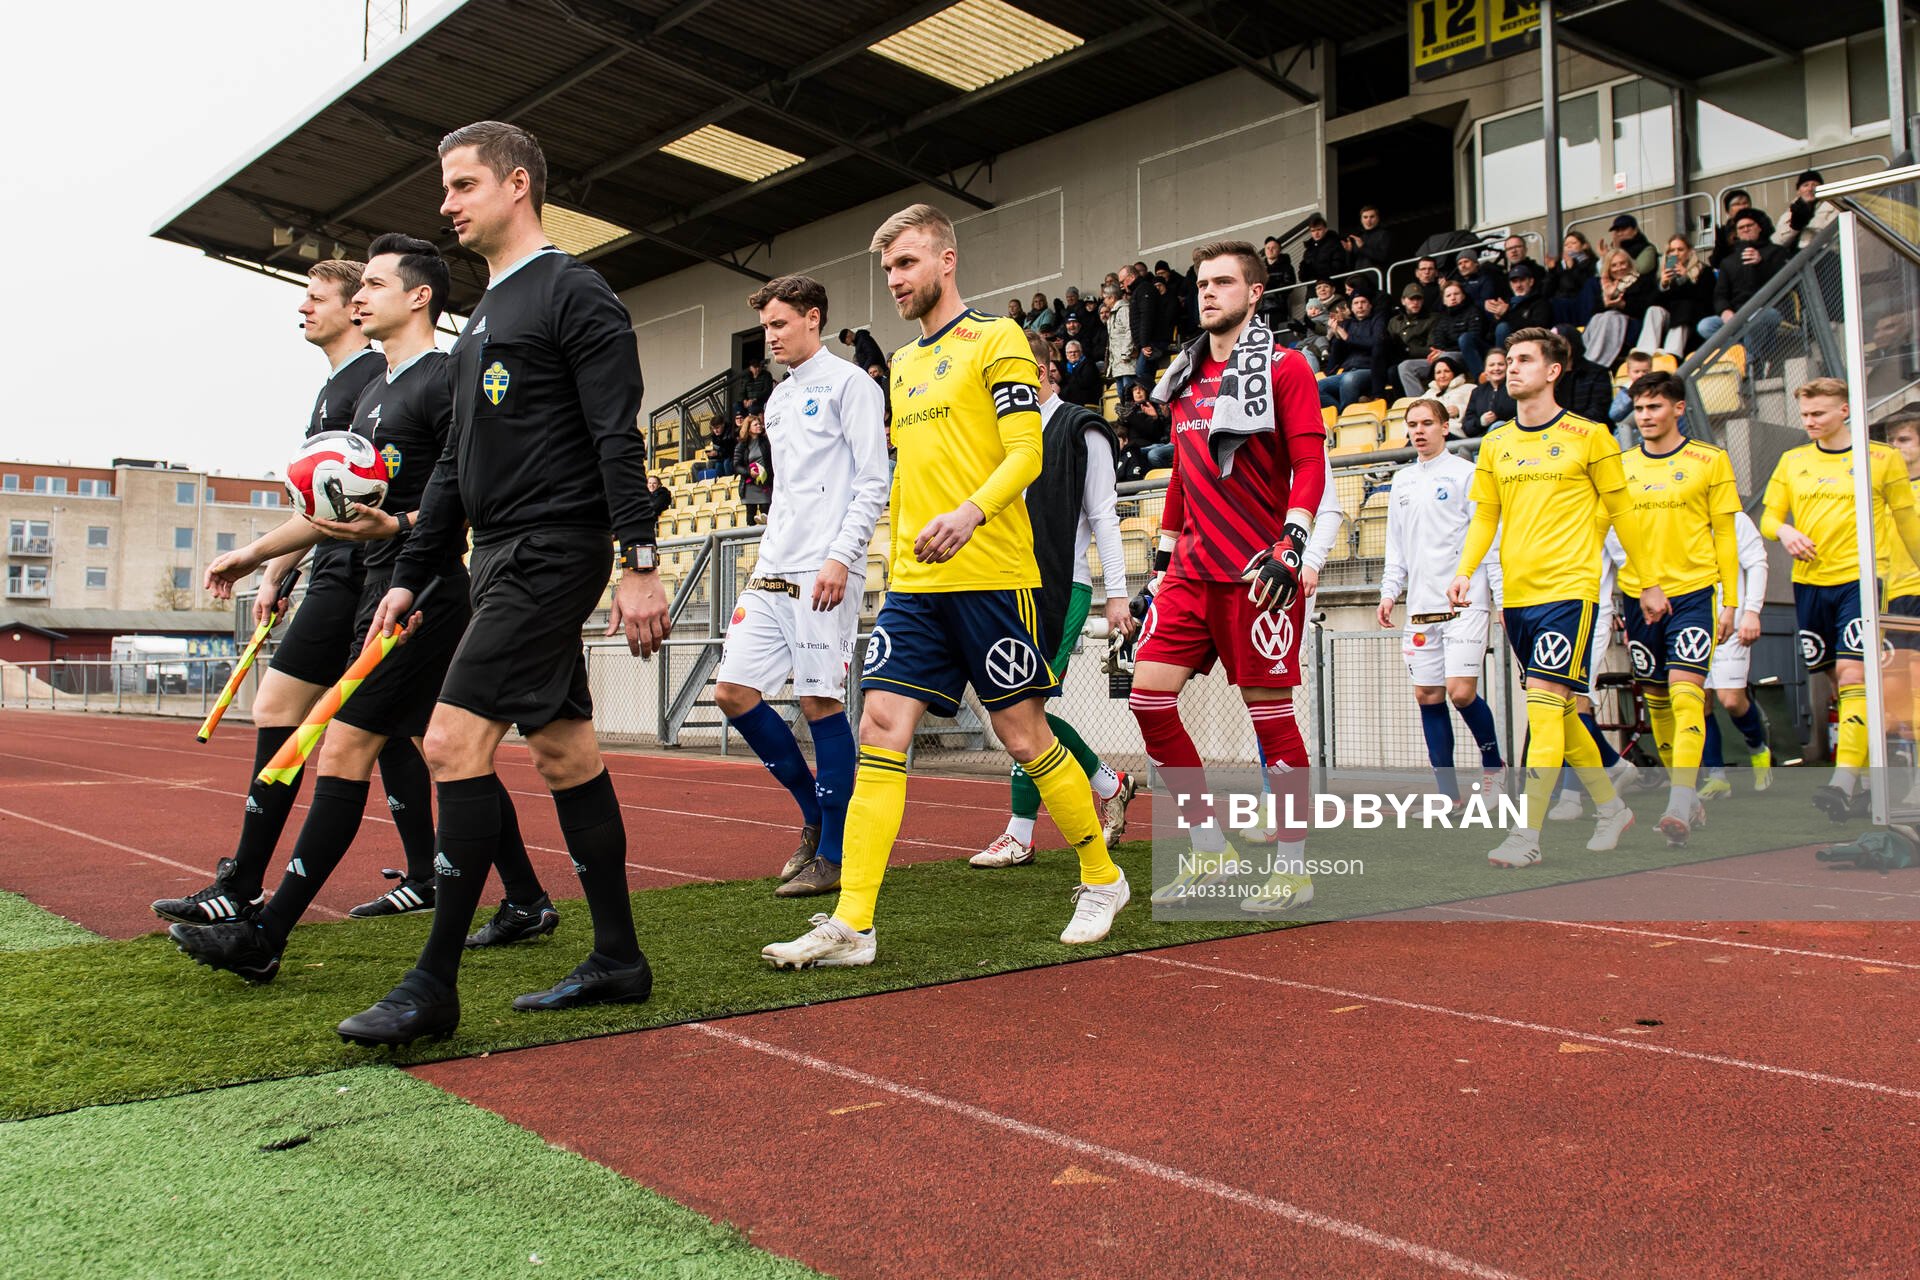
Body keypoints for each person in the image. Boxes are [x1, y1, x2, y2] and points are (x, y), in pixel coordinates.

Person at [336, 119, 670, 1046]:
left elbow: (617, 436)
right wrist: (410, 575)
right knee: (566, 756)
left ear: (517, 186)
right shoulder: (480, 315)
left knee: (449, 742)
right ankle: (617, 959)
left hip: (553, 552)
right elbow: (452, 463)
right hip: (496, 558)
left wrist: (639, 563)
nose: (446, 205)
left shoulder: (575, 292)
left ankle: (432, 984)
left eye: (462, 185)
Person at [172, 235, 557, 977]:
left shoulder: (446, 379)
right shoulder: (375, 392)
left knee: (344, 748)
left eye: (372, 285)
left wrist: (402, 529)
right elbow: (338, 511)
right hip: (377, 591)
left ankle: (266, 931)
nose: (357, 298)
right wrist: (257, 557)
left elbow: (469, 496)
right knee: (446, 754)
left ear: (419, 297)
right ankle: (527, 898)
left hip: (426, 593)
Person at [761, 203, 1131, 969]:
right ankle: (854, 923)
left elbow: (1025, 454)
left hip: (994, 574)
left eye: (905, 263)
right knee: (880, 728)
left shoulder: (995, 340)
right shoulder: (900, 364)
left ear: (945, 260)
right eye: (887, 267)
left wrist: (970, 513)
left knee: (1023, 737)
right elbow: (909, 473)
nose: (894, 280)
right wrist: (893, 561)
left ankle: (1101, 877)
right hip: (917, 587)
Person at [148, 260, 438, 929]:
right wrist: (277, 571)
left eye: (318, 298)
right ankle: (441, 876)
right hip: (342, 571)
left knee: (332, 721)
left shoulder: (373, 380)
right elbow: (326, 498)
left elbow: (368, 499)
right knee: (398, 733)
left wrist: (261, 556)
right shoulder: (339, 391)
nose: (303, 309)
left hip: (366, 574)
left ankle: (245, 883)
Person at [1126, 239, 1328, 913]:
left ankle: (1294, 867)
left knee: (1270, 720)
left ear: (1255, 293)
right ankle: (1209, 846)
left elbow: (1309, 463)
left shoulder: (1284, 367)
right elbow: (1184, 475)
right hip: (1190, 571)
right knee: (1148, 700)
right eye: (1202, 283)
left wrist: (1292, 545)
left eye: (1222, 282)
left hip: (1257, 572)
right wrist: (1158, 567)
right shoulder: (1181, 378)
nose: (1207, 292)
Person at [1450, 327, 1652, 867]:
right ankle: (1611, 807)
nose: (1509, 368)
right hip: (1517, 597)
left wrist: (1647, 580)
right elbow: (1486, 515)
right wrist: (1466, 571)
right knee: (1560, 714)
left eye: (1522, 360)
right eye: (1507, 360)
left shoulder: (1592, 437)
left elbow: (1624, 513)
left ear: (1553, 370)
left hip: (1571, 594)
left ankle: (1526, 836)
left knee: (1542, 711)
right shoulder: (1495, 442)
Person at [715, 274, 889, 899]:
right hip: (772, 569)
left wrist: (842, 558)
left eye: (780, 324)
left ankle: (837, 854)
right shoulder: (781, 398)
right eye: (766, 327)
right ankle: (814, 817)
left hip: (823, 571)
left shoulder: (852, 386)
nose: (770, 337)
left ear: (814, 318)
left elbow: (873, 482)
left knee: (820, 705)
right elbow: (787, 492)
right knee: (732, 692)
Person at [973, 330, 1139, 868]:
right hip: (1006, 585)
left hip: (1060, 589)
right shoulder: (1001, 434)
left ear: (1046, 371)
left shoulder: (1078, 428)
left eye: (1020, 369)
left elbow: (1104, 518)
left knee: (1024, 709)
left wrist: (1118, 596)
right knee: (1016, 711)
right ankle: (1109, 784)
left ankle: (1022, 832)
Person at [1761, 379, 1920, 821]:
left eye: (1819, 414)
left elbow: (1907, 523)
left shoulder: (1880, 458)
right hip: (1810, 585)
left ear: (1845, 410)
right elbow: (1770, 516)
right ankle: (1867, 785)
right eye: (1806, 415)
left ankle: (1841, 781)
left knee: (1854, 676)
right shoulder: (1793, 460)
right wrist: (1786, 531)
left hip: (1865, 581)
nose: (1810, 422)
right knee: (1838, 685)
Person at [1610, 371, 1742, 846]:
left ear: (1678, 409)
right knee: (1658, 700)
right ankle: (1688, 798)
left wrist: (1730, 600)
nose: (1644, 416)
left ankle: (1679, 800)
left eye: (1654, 407)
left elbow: (1725, 534)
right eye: (1639, 409)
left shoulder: (1710, 460)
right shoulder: (1621, 466)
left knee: (1688, 694)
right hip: (1637, 596)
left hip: (1693, 593)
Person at [1376, 398, 1505, 805]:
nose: (1418, 430)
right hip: (1420, 605)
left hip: (1466, 602)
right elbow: (1396, 544)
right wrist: (1388, 591)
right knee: (1427, 696)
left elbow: (1490, 540)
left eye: (1427, 423)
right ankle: (1448, 795)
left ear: (1445, 427)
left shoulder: (1468, 474)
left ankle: (1493, 769)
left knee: (1461, 692)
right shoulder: (1401, 481)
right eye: (1412, 424)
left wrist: (1499, 597)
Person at [1698, 509, 1772, 799]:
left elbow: (1757, 563)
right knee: (1698, 702)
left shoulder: (1735, 519)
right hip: (1690, 624)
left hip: (1732, 624)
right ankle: (1716, 777)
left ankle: (1758, 746)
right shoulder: (1677, 516)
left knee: (1730, 700)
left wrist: (1751, 612)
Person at [1701, 209, 1788, 344]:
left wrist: (1761, 263)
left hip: (1769, 310)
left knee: (1753, 318)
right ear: (1737, 232)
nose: (1745, 229)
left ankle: (1750, 360)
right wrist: (1725, 311)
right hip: (1737, 314)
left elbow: (1784, 282)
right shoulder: (1728, 261)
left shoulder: (1776, 252)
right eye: (1741, 227)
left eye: (1750, 225)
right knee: (1705, 326)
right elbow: (1720, 295)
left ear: (1759, 228)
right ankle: (1741, 353)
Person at [1585, 250, 1667, 368]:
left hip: (1636, 328)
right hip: (1609, 327)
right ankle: (1590, 356)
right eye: (1614, 265)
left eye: (1622, 263)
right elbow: (1593, 313)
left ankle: (1596, 361)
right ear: (1608, 268)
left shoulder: (1643, 281)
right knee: (1599, 317)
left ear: (1629, 264)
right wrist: (1607, 301)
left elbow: (1648, 308)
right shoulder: (1604, 285)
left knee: (1610, 316)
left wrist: (1623, 305)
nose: (1619, 268)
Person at [1398, 280, 1483, 394]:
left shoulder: (1473, 311)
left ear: (1463, 295)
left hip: (1465, 356)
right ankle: (1418, 403)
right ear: (1444, 300)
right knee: (1405, 366)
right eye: (1448, 295)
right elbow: (1437, 343)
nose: (1453, 298)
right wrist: (1438, 352)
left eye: (1456, 294)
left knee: (1450, 352)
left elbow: (1474, 338)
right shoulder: (1441, 319)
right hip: (1442, 356)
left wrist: (1442, 353)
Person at [1316, 289, 1385, 409]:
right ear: (1351, 308)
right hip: (1347, 370)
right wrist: (1337, 336)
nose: (1360, 306)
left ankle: (1346, 416)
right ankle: (1341, 413)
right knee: (1316, 387)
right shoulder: (1347, 324)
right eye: (1356, 303)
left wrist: (1347, 337)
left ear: (1370, 305)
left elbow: (1376, 343)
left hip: (1368, 370)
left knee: (1349, 380)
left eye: (1363, 302)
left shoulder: (1376, 321)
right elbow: (1337, 355)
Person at [1654, 236, 1713, 354]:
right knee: (1653, 310)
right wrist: (1664, 285)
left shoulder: (1703, 270)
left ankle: (1672, 352)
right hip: (1671, 318)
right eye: (1672, 250)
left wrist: (1686, 279)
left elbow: (1703, 298)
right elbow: (1657, 303)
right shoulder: (1664, 273)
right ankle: (1646, 351)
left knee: (1683, 307)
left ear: (1690, 252)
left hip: (1693, 318)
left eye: (1680, 250)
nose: (1676, 254)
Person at [1552, 325, 1613, 422]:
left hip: (1586, 430)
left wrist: (1567, 425)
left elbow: (1598, 412)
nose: (1554, 350)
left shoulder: (1597, 373)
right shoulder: (1548, 375)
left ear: (1572, 345)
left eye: (1558, 344)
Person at [1485, 263, 1552, 347]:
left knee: (1503, 327)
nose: (1518, 285)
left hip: (1530, 345)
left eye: (1522, 280)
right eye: (1514, 281)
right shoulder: (1506, 302)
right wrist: (1497, 318)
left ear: (1531, 282)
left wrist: (1507, 313)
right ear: (1510, 285)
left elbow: (1538, 329)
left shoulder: (1540, 302)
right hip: (1505, 346)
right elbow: (1490, 336)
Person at [1115, 382, 1172, 480]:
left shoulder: (1157, 407)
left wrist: (1155, 418)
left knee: (1146, 454)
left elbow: (1161, 437)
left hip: (1152, 445)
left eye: (1141, 389)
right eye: (1134, 390)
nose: (1138, 392)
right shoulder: (1127, 411)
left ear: (1147, 391)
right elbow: (1121, 433)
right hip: (1133, 447)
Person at [1549, 232, 1600, 327]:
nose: (1569, 246)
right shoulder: (1560, 265)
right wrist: (1551, 270)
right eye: (1566, 245)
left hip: (1581, 304)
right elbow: (1547, 290)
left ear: (1584, 246)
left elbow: (1582, 285)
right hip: (1562, 306)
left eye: (1573, 243)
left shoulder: (1592, 263)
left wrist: (1572, 268)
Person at [1463, 346, 1515, 437]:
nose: (1496, 368)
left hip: (1510, 437)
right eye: (1491, 365)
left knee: (1498, 425)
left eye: (1501, 364)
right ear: (1485, 370)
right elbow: (1467, 426)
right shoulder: (1477, 392)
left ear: (1508, 367)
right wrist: (1481, 422)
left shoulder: (1515, 386)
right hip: (1479, 441)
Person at [734, 413, 773, 525]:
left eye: (760, 424)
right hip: (749, 486)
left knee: (767, 512)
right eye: (756, 424)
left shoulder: (766, 442)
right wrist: (749, 472)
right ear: (749, 428)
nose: (759, 426)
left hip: (765, 484)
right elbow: (737, 466)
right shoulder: (741, 445)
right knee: (751, 516)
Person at [1608, 351, 1655, 435]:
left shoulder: (1655, 390)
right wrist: (1630, 397)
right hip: (1626, 432)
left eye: (1645, 372)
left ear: (1651, 371)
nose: (1641, 375)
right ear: (1629, 372)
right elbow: (1614, 414)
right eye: (1636, 371)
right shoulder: (1625, 391)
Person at [1100, 281, 1134, 395]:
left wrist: (1126, 353)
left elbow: (1130, 330)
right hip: (1118, 366)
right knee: (1121, 395)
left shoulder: (1124, 309)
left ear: (1112, 298)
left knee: (1128, 395)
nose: (1104, 301)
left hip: (1127, 363)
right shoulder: (1113, 313)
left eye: (1105, 298)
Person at [1298, 214, 1351, 283]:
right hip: (1313, 287)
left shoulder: (1335, 243)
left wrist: (1315, 272)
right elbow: (1302, 277)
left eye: (1319, 229)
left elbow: (1338, 268)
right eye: (1313, 231)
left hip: (1331, 285)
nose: (1316, 233)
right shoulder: (1308, 250)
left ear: (1325, 229)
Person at [1428, 355, 1472, 431]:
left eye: (1447, 371)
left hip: (1458, 431)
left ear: (1454, 373)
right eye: (1438, 372)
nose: (1442, 376)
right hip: (1433, 432)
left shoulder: (1469, 388)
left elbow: (1479, 409)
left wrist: (1459, 410)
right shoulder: (1428, 395)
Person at [1343, 205, 1391, 274]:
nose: (1368, 220)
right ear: (1361, 220)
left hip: (1376, 278)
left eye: (1372, 217)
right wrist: (1349, 252)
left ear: (1378, 218)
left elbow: (1383, 257)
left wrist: (1363, 247)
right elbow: (1350, 266)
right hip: (1358, 278)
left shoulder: (1384, 234)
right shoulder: (1359, 237)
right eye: (1365, 217)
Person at [1058, 339, 1102, 406]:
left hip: (1087, 401)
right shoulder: (1065, 366)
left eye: (1076, 351)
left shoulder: (1089, 365)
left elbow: (1085, 384)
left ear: (1081, 352)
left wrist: (1073, 371)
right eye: (1070, 352)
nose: (1073, 354)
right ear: (1066, 354)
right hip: (1070, 400)